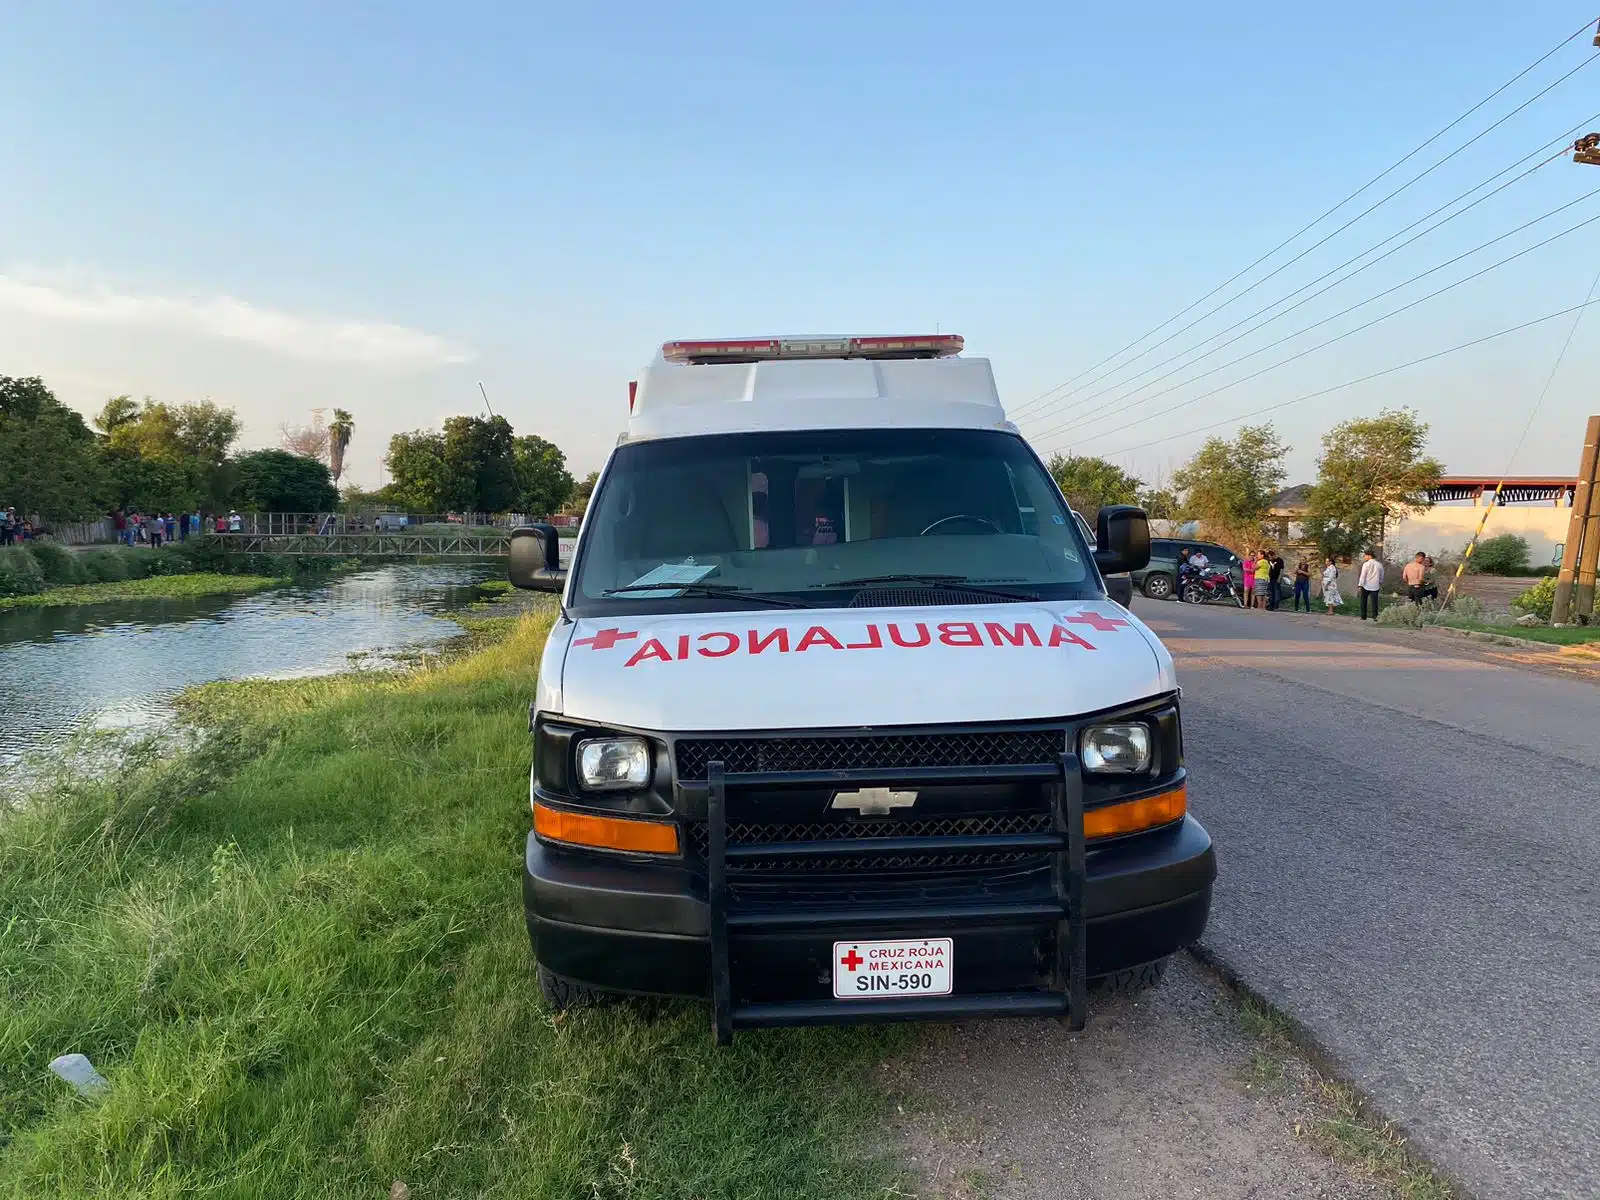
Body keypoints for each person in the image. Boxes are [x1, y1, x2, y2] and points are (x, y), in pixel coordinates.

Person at [1358, 549, 1383, 620]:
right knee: (1375, 602)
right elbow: (1382, 575)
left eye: (1365, 555)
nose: (1364, 557)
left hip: (1366, 585)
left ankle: (1363, 616)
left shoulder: (1366, 564)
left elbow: (1363, 575)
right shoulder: (1379, 564)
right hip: (1375, 585)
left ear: (1369, 556)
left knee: (1363, 601)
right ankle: (1375, 616)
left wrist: (1360, 585)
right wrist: (1380, 582)